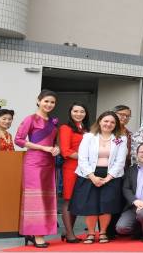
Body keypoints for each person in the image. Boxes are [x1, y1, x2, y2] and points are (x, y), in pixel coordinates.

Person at [69, 111, 128, 244]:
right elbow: (82, 158)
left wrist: (108, 177)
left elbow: (120, 161)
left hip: (111, 175)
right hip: (89, 174)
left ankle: (102, 232)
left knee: (106, 204)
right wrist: (92, 176)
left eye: (112, 122)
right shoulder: (89, 136)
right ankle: (90, 233)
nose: (108, 124)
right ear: (100, 121)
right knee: (91, 205)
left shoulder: (121, 138)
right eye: (106, 121)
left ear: (116, 125)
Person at [14, 90, 60, 248]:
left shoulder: (53, 122)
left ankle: (34, 232)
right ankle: (37, 234)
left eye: (52, 102)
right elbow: (18, 140)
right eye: (46, 101)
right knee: (36, 198)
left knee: (47, 197)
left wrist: (56, 148)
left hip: (49, 161)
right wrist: (42, 147)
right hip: (33, 162)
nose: (49, 104)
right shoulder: (30, 119)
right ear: (38, 101)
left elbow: (53, 142)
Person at [58, 104, 87, 243]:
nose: (79, 114)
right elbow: (65, 151)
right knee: (69, 199)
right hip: (71, 167)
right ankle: (69, 234)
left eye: (82, 111)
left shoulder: (86, 129)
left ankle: (67, 231)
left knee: (77, 200)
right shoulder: (65, 128)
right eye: (75, 111)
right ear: (70, 112)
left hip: (85, 168)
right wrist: (85, 157)